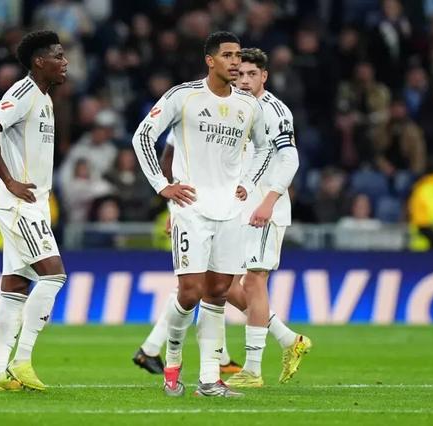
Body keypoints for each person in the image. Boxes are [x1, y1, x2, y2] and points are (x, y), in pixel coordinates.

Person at [131, 31, 271, 398]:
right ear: (210, 60)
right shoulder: (183, 96)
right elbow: (142, 136)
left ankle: (209, 380)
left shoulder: (248, 105)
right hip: (191, 209)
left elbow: (264, 148)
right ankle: (172, 357)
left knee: (218, 292)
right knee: (190, 292)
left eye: (238, 55)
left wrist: (248, 182)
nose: (235, 62)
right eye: (227, 55)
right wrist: (162, 185)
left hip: (230, 211)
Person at [0, 30, 69, 392]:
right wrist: (10, 180)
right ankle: (22, 360)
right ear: (39, 62)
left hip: (32, 203)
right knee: (53, 275)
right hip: (19, 204)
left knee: (15, 287)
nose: (65, 62)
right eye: (58, 56)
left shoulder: (44, 98)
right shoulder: (24, 92)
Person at [226, 48, 311, 387]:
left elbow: (291, 160)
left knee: (254, 282)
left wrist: (269, 202)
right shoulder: (234, 107)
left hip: (263, 208)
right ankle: (289, 338)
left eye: (251, 74)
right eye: (240, 74)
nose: (244, 80)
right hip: (236, 208)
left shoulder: (275, 111)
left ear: (264, 76)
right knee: (223, 284)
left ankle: (252, 369)